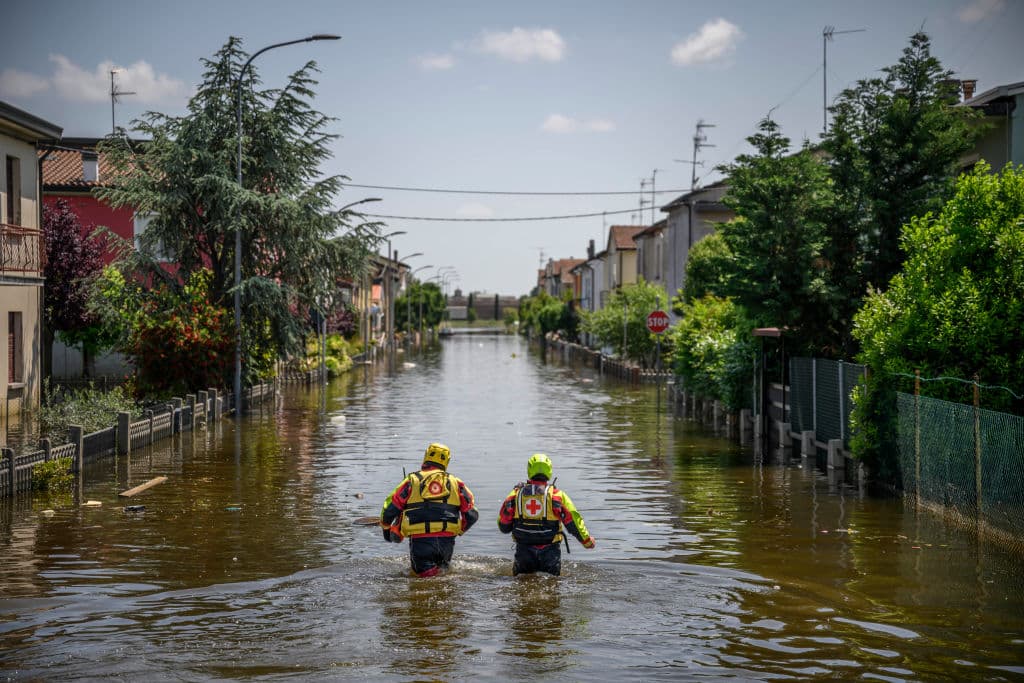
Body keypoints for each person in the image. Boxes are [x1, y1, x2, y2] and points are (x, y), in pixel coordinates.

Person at [380, 442, 479, 577]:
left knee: (424, 580)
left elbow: (389, 509)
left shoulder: (411, 480)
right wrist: (459, 530)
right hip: (447, 542)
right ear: (447, 461)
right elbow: (472, 515)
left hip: (421, 542)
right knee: (443, 576)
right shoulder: (457, 483)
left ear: (426, 456)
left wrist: (386, 530)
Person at [498, 453, 595, 576]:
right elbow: (573, 521)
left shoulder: (515, 494)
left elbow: (503, 526)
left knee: (521, 583)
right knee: (553, 583)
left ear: (529, 470)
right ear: (549, 470)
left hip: (524, 552)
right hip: (550, 552)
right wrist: (587, 541)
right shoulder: (557, 495)